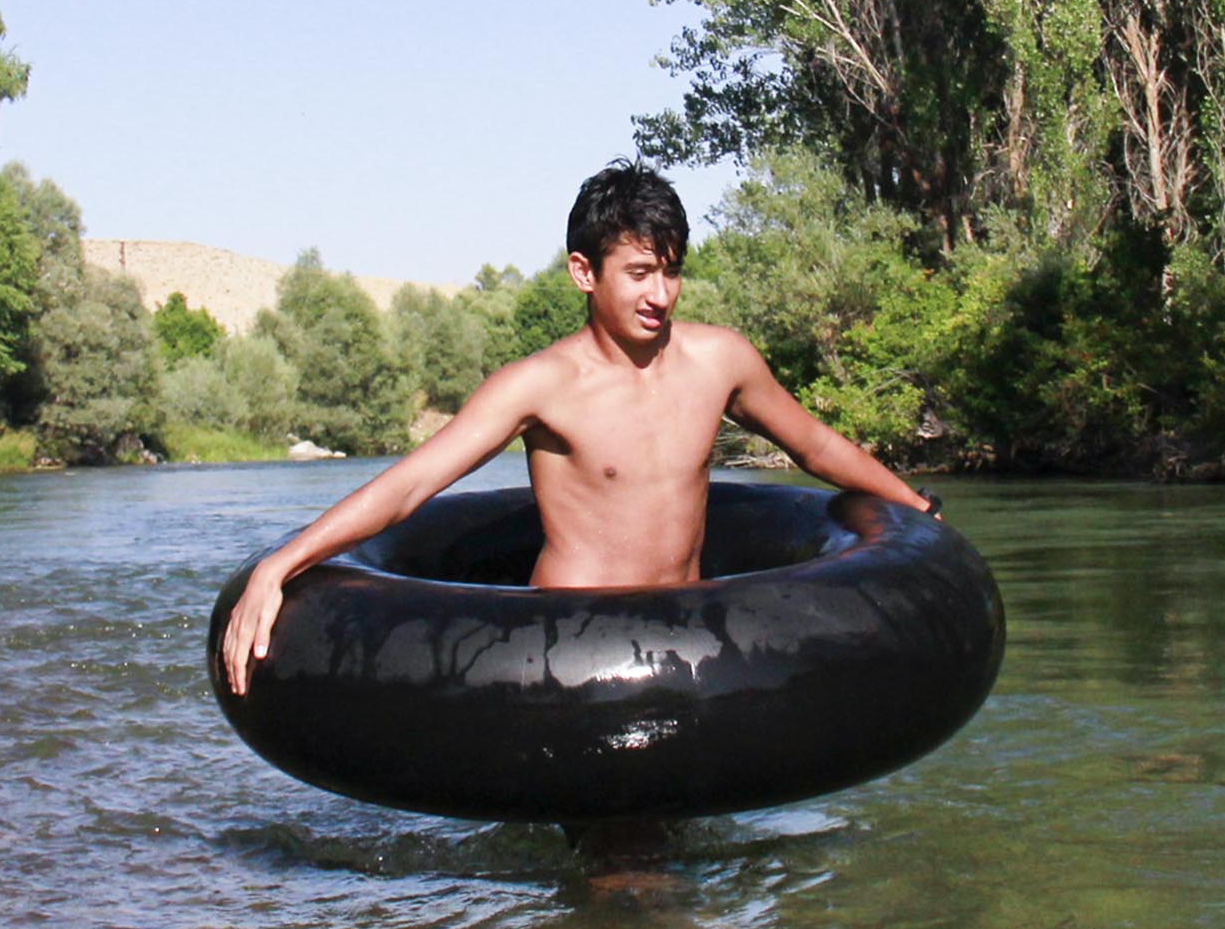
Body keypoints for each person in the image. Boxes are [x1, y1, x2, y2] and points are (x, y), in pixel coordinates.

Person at [220, 163, 933, 696]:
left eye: (673, 272)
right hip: (571, 641)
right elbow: (412, 486)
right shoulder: (539, 386)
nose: (661, 295)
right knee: (626, 866)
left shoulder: (721, 360)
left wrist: (915, 507)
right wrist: (281, 565)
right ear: (584, 272)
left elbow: (813, 444)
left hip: (686, 631)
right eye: (641, 273)